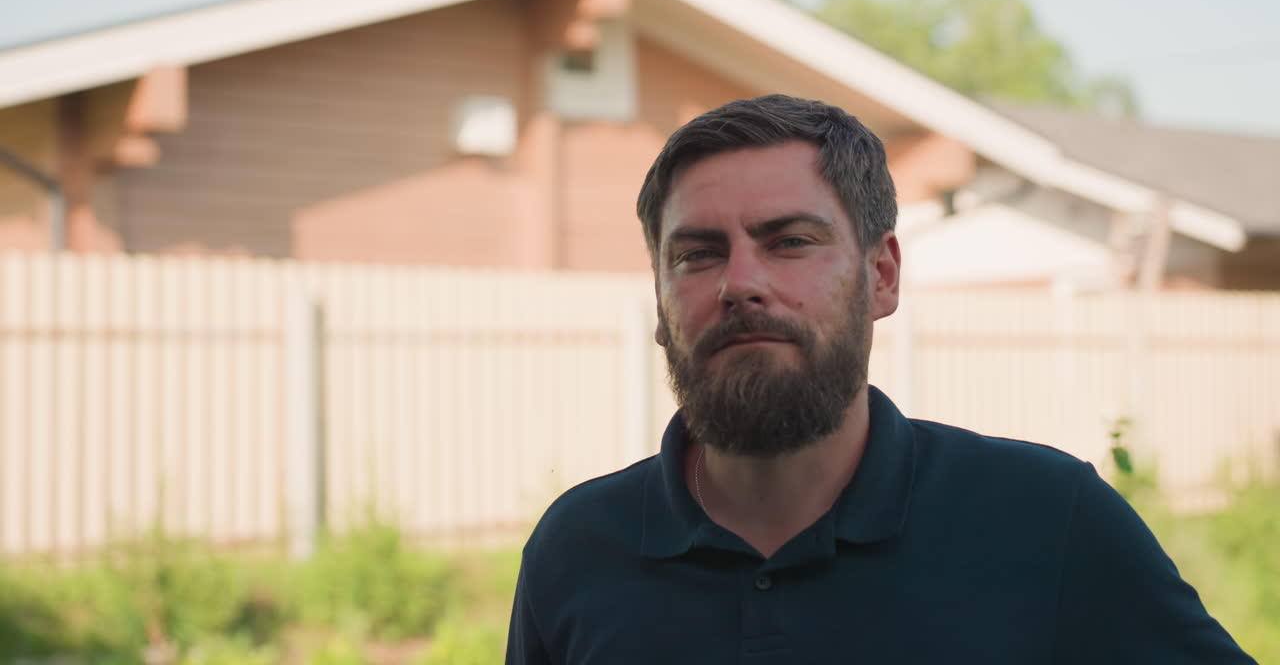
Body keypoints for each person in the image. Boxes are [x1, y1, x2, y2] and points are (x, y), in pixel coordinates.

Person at [505, 94, 1256, 664]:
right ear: (661, 304)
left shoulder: (1048, 521)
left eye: (789, 241)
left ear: (882, 275)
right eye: (697, 254)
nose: (740, 283)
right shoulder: (575, 551)